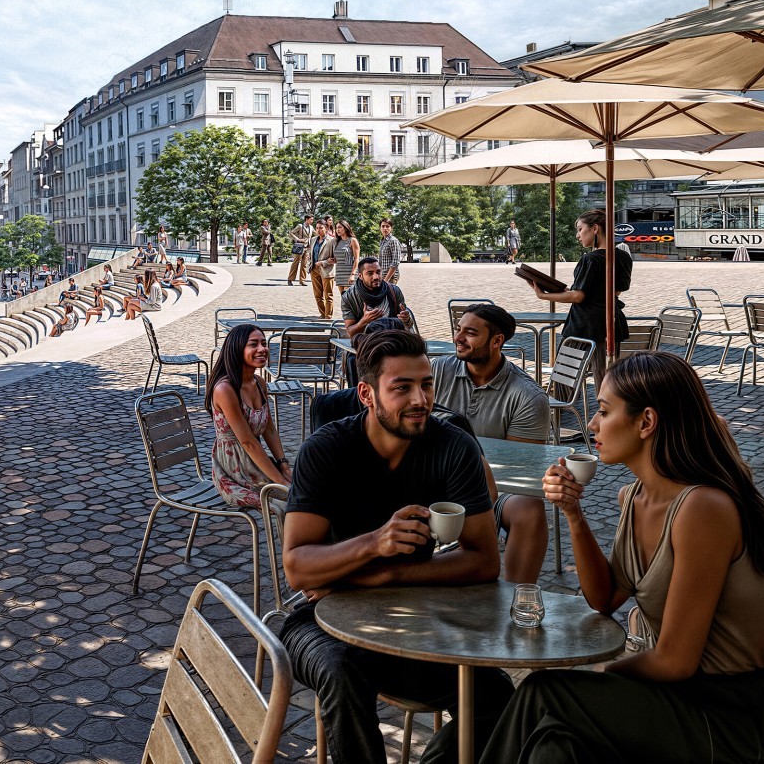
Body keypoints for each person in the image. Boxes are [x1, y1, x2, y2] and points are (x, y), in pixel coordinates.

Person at [456, 352, 764, 764]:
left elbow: (676, 661)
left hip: (725, 713)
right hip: (669, 698)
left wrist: (605, 674)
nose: (591, 424)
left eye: (604, 411)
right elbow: (605, 597)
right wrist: (573, 515)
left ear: (646, 422)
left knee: (546, 694)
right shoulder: (634, 496)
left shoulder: (703, 509)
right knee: (554, 746)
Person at [280, 330, 512, 764]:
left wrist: (385, 573)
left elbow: (484, 561)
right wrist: (374, 543)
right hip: (321, 622)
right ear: (367, 394)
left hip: (417, 623)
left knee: (499, 697)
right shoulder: (326, 450)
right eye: (401, 388)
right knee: (340, 671)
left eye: (426, 384)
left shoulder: (453, 446)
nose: (420, 399)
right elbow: (298, 568)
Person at [432, 302, 553, 583]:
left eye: (470, 333)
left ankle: (514, 598)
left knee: (529, 508)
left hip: (491, 487)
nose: (458, 338)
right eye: (458, 329)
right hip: (429, 474)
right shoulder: (437, 372)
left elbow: (517, 473)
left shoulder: (528, 397)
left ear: (497, 341)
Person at [207, 323, 290, 510]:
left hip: (258, 461)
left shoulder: (260, 383)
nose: (262, 349)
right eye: (253, 344)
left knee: (313, 488)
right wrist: (281, 482)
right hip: (235, 470)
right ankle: (294, 540)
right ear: (237, 349)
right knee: (291, 502)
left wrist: (283, 466)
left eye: (263, 343)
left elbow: (269, 430)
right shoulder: (225, 389)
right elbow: (248, 443)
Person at [530, 208, 631, 352]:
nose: (578, 235)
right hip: (612, 323)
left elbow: (578, 296)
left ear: (595, 228)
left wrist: (542, 295)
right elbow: (615, 292)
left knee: (567, 372)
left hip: (584, 327)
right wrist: (571, 291)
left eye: (580, 229)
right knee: (606, 372)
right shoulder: (623, 257)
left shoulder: (590, 259)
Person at [310, 217, 337, 318]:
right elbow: (311, 253)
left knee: (328, 295)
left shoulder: (332, 241)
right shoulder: (313, 240)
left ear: (326, 228)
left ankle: (328, 317)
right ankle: (322, 313)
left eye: (321, 228)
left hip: (326, 270)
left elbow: (335, 259)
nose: (318, 230)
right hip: (314, 270)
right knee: (318, 295)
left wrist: (323, 262)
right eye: (316, 228)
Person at [331, 218, 359, 299]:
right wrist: (333, 260)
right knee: (344, 298)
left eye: (340, 227)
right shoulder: (336, 242)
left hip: (349, 273)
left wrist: (353, 274)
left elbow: (356, 259)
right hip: (340, 273)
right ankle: (346, 312)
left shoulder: (353, 240)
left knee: (348, 298)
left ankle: (354, 312)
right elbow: (338, 257)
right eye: (336, 228)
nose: (337, 230)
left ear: (346, 228)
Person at [375, 217, 406, 284]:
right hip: (383, 275)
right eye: (383, 226)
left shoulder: (393, 241)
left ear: (391, 228)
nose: (385, 228)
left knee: (389, 294)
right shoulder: (383, 241)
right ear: (380, 228)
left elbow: (395, 262)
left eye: (387, 226)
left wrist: (386, 279)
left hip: (391, 277)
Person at [287, 218, 313, 286]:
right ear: (307, 219)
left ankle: (302, 280)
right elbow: (291, 233)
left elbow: (316, 234)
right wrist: (298, 239)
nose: (312, 221)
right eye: (311, 219)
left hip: (308, 248)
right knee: (295, 263)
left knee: (304, 265)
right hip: (300, 247)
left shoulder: (311, 227)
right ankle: (290, 279)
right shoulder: (300, 226)